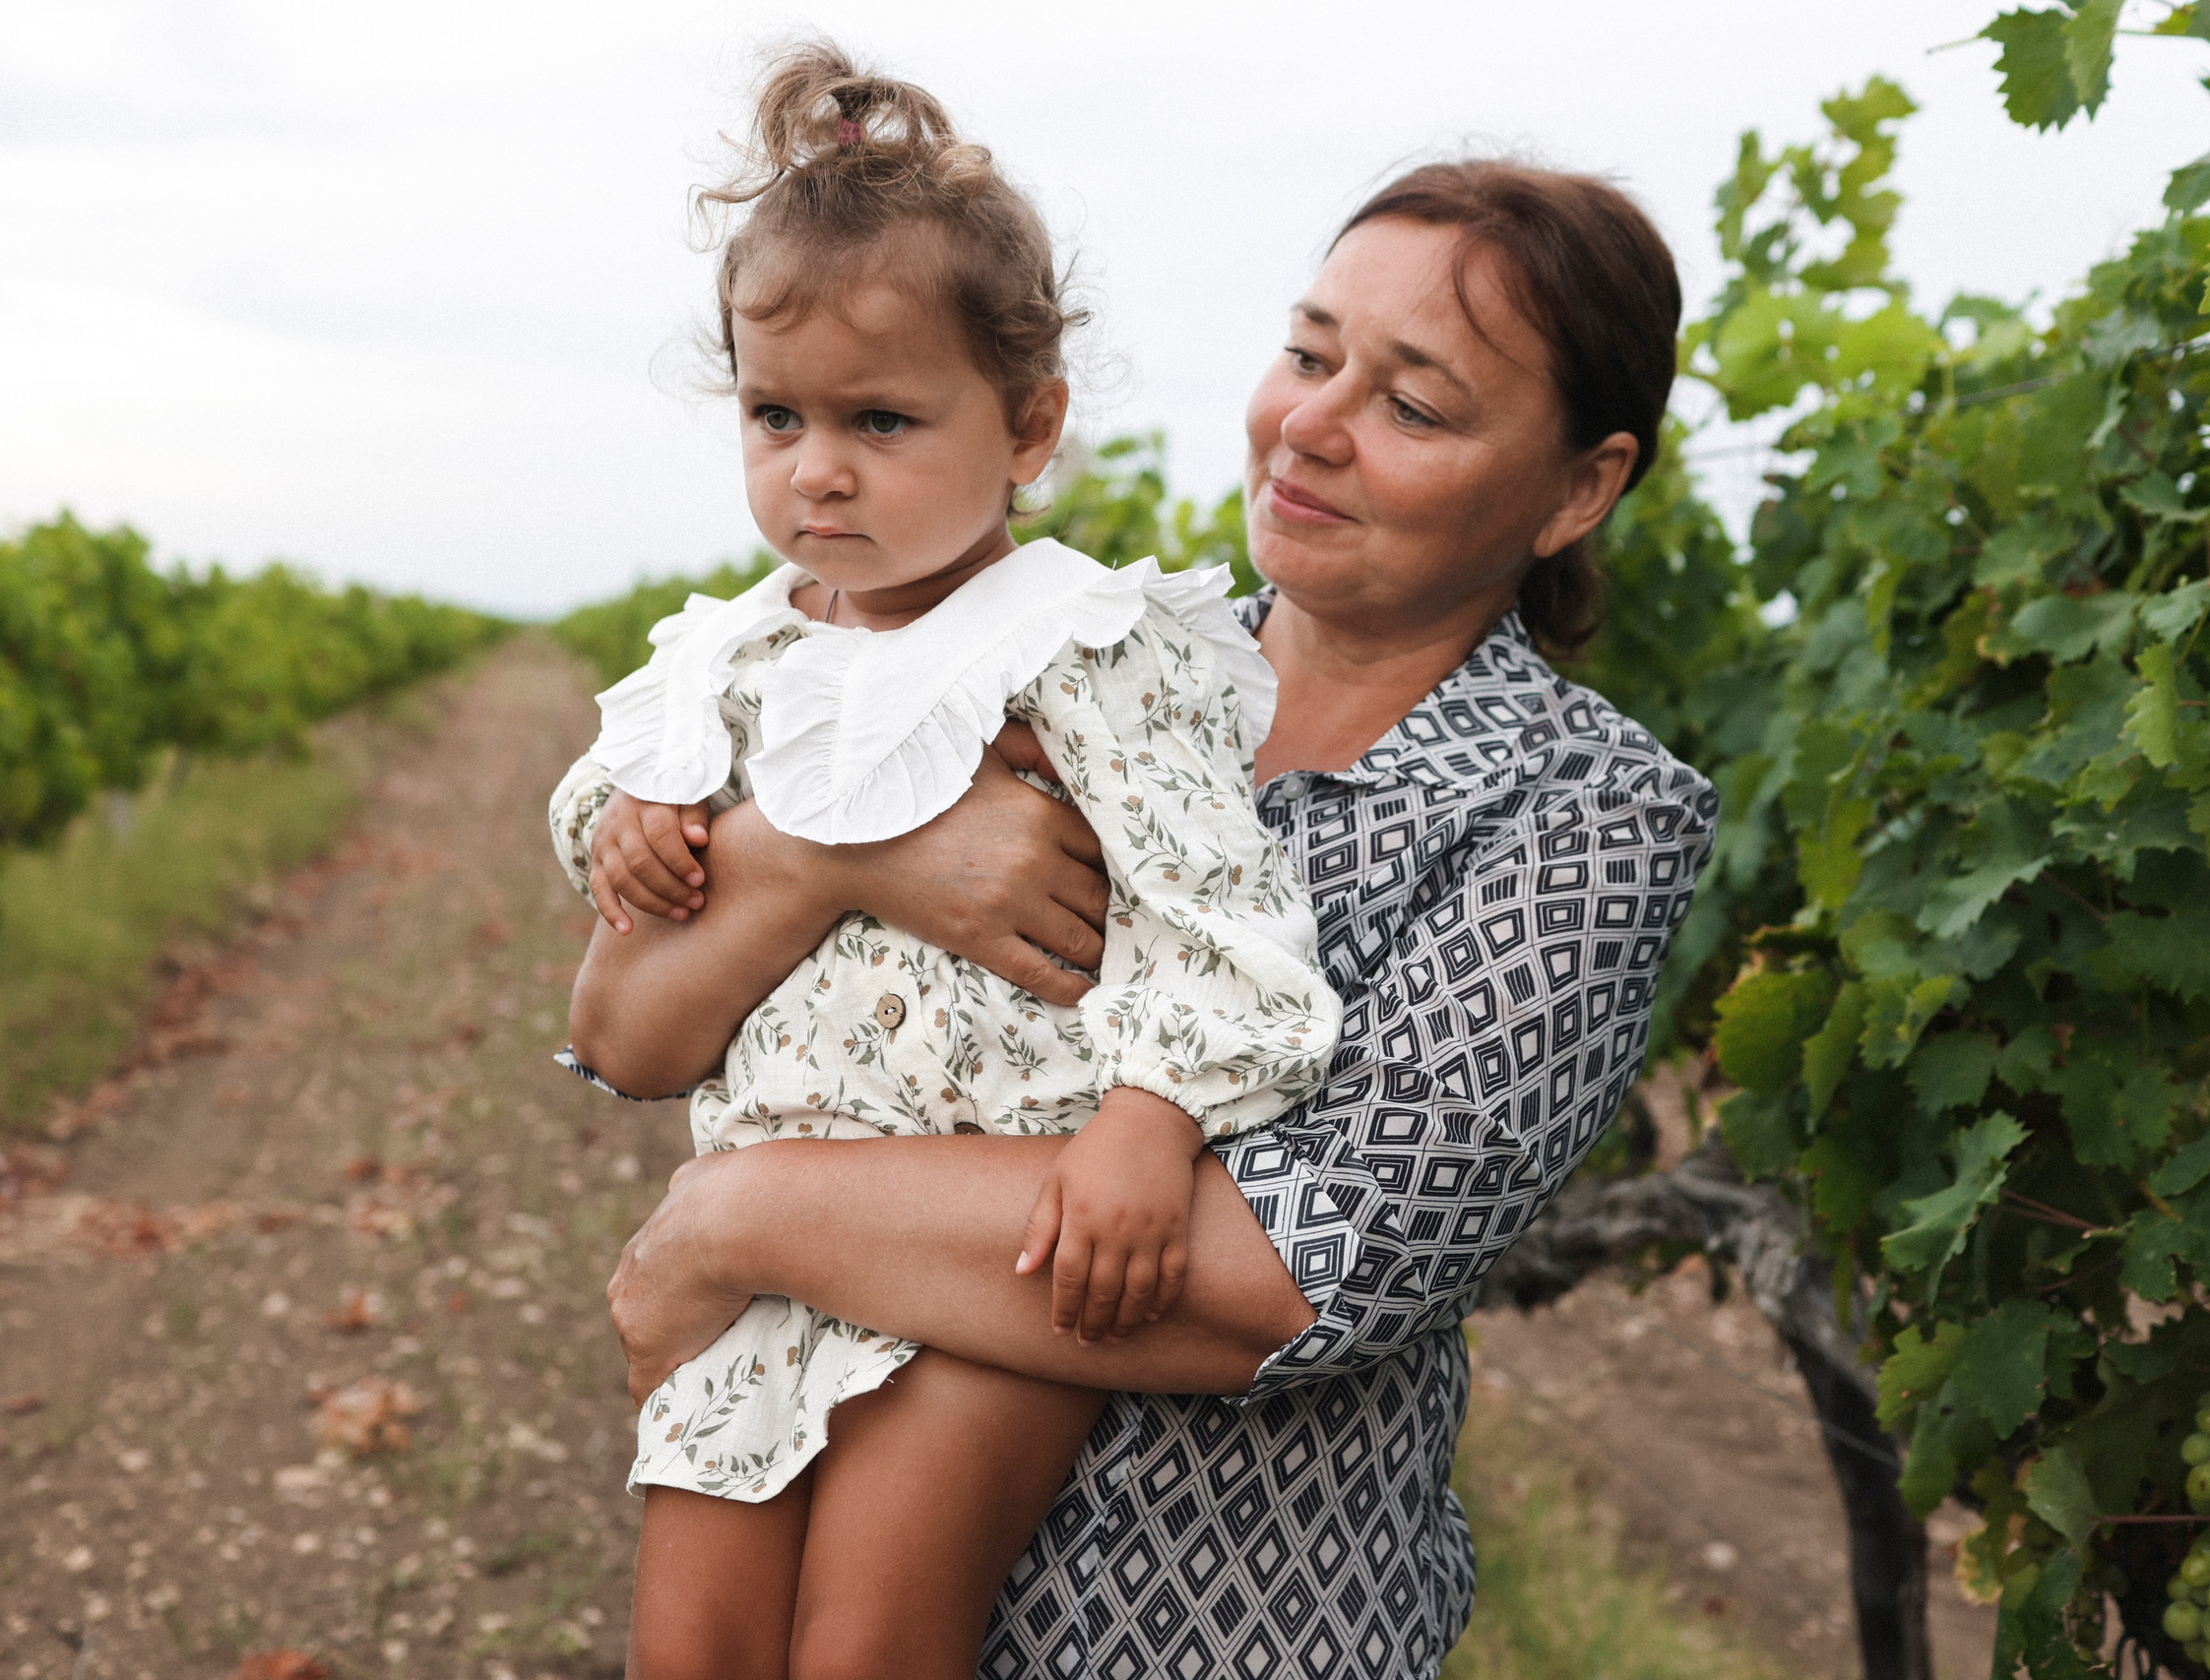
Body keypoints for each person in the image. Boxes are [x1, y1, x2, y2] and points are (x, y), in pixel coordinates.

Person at [572, 150, 1719, 1678]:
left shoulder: (1580, 811)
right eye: (1309, 355)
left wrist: (741, 1216)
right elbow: (625, 1031)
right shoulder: (1071, 654)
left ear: (1581, 488)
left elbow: (1293, 1273)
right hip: (808, 1448)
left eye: (1414, 405)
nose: (1311, 425)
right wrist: (818, 862)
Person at [546, 41, 1342, 1680]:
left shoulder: (1078, 646)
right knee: (688, 1649)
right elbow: (611, 825)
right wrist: (631, 829)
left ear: (1030, 424)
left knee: (869, 1645)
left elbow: (1223, 912)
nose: (816, 466)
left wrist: (1144, 1123)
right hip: (769, 1254)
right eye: (776, 415)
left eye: (881, 419)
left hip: (982, 1245)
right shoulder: (734, 655)